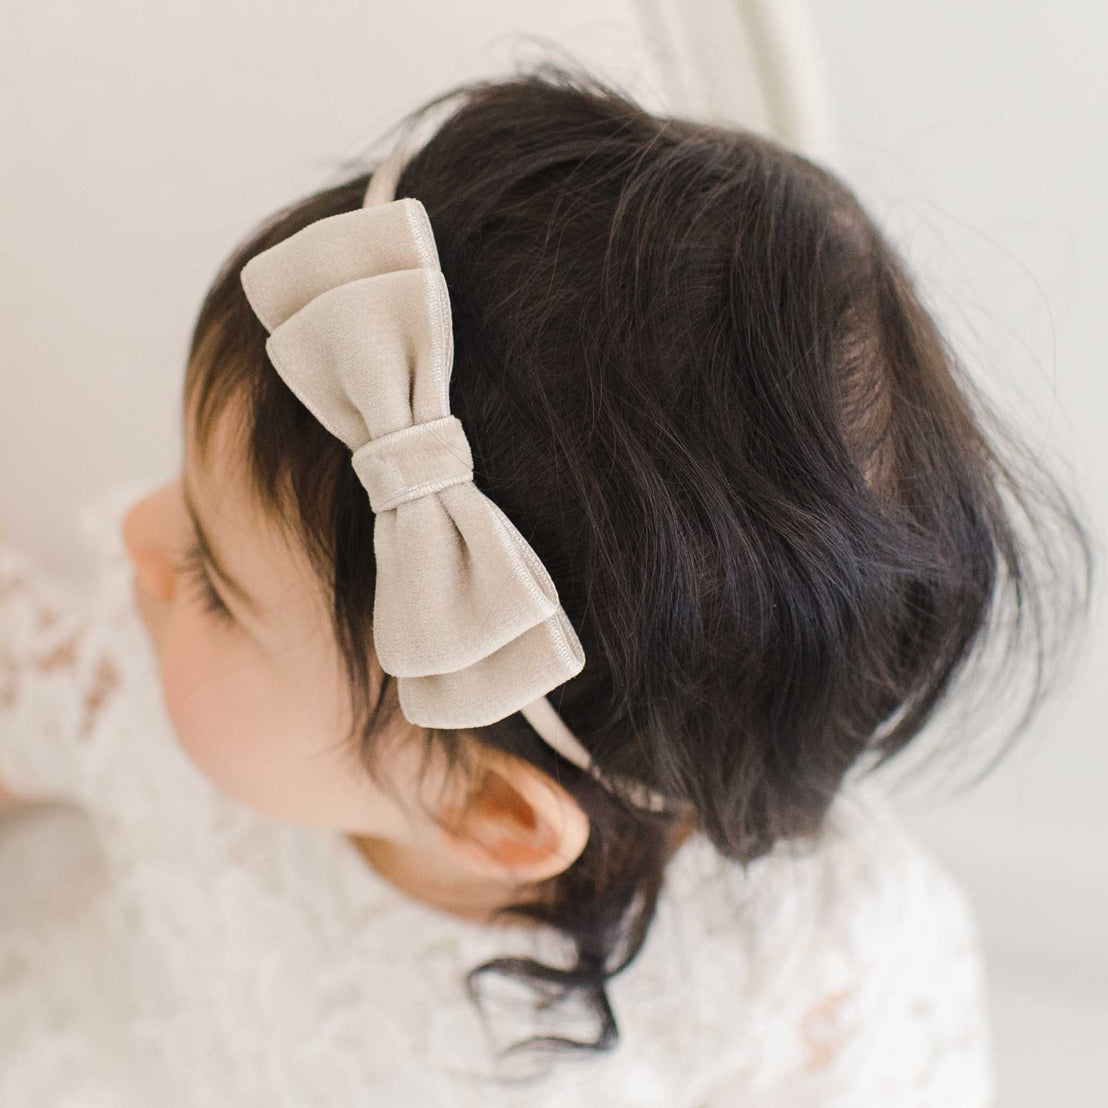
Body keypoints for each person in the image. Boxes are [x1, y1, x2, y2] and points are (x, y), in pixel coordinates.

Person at [0, 62, 1094, 1106]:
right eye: (191, 504)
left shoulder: (808, 977)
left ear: (487, 809)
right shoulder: (141, 670)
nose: (133, 535)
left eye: (210, 576)